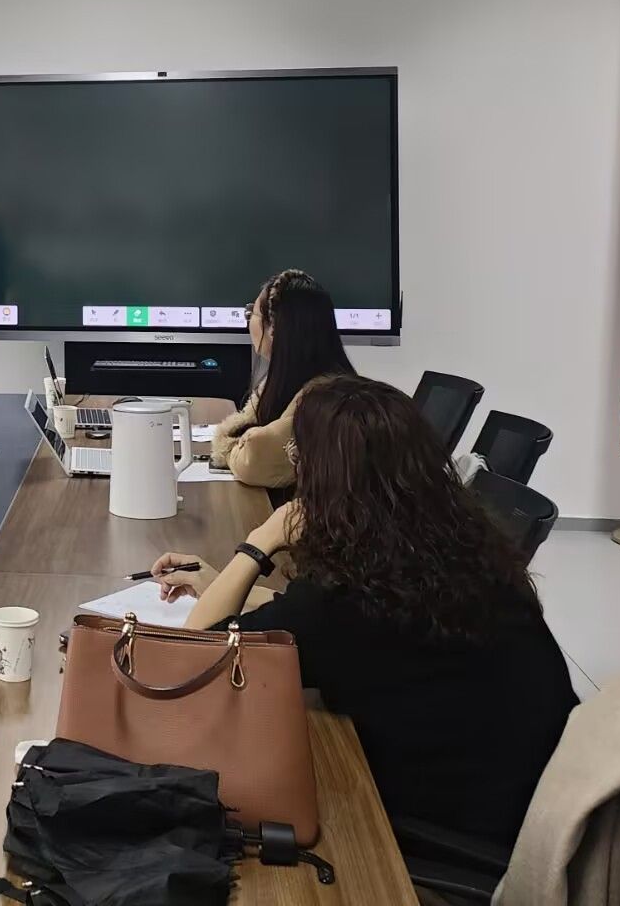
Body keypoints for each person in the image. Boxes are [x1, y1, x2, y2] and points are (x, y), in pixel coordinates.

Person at [150, 376, 577, 846]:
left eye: (297, 455)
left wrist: (259, 544)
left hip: (451, 833)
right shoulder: (451, 550)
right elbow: (329, 623)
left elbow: (194, 659)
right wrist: (221, 583)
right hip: (521, 800)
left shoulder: (342, 599)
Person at [208, 269, 356, 489]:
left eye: (251, 314)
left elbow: (254, 460)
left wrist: (229, 449)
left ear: (273, 329)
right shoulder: (326, 381)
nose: (249, 323)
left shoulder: (320, 400)